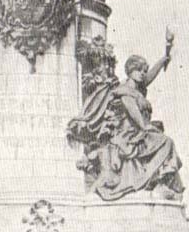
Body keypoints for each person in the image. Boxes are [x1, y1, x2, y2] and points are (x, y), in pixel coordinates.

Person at [67, 51, 183, 201]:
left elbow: (149, 78)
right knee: (167, 142)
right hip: (127, 136)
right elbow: (136, 117)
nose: (142, 74)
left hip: (136, 132)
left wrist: (163, 60)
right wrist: (147, 128)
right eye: (139, 70)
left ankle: (162, 179)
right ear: (130, 71)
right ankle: (159, 178)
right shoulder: (125, 92)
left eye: (144, 70)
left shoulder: (137, 89)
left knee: (165, 141)